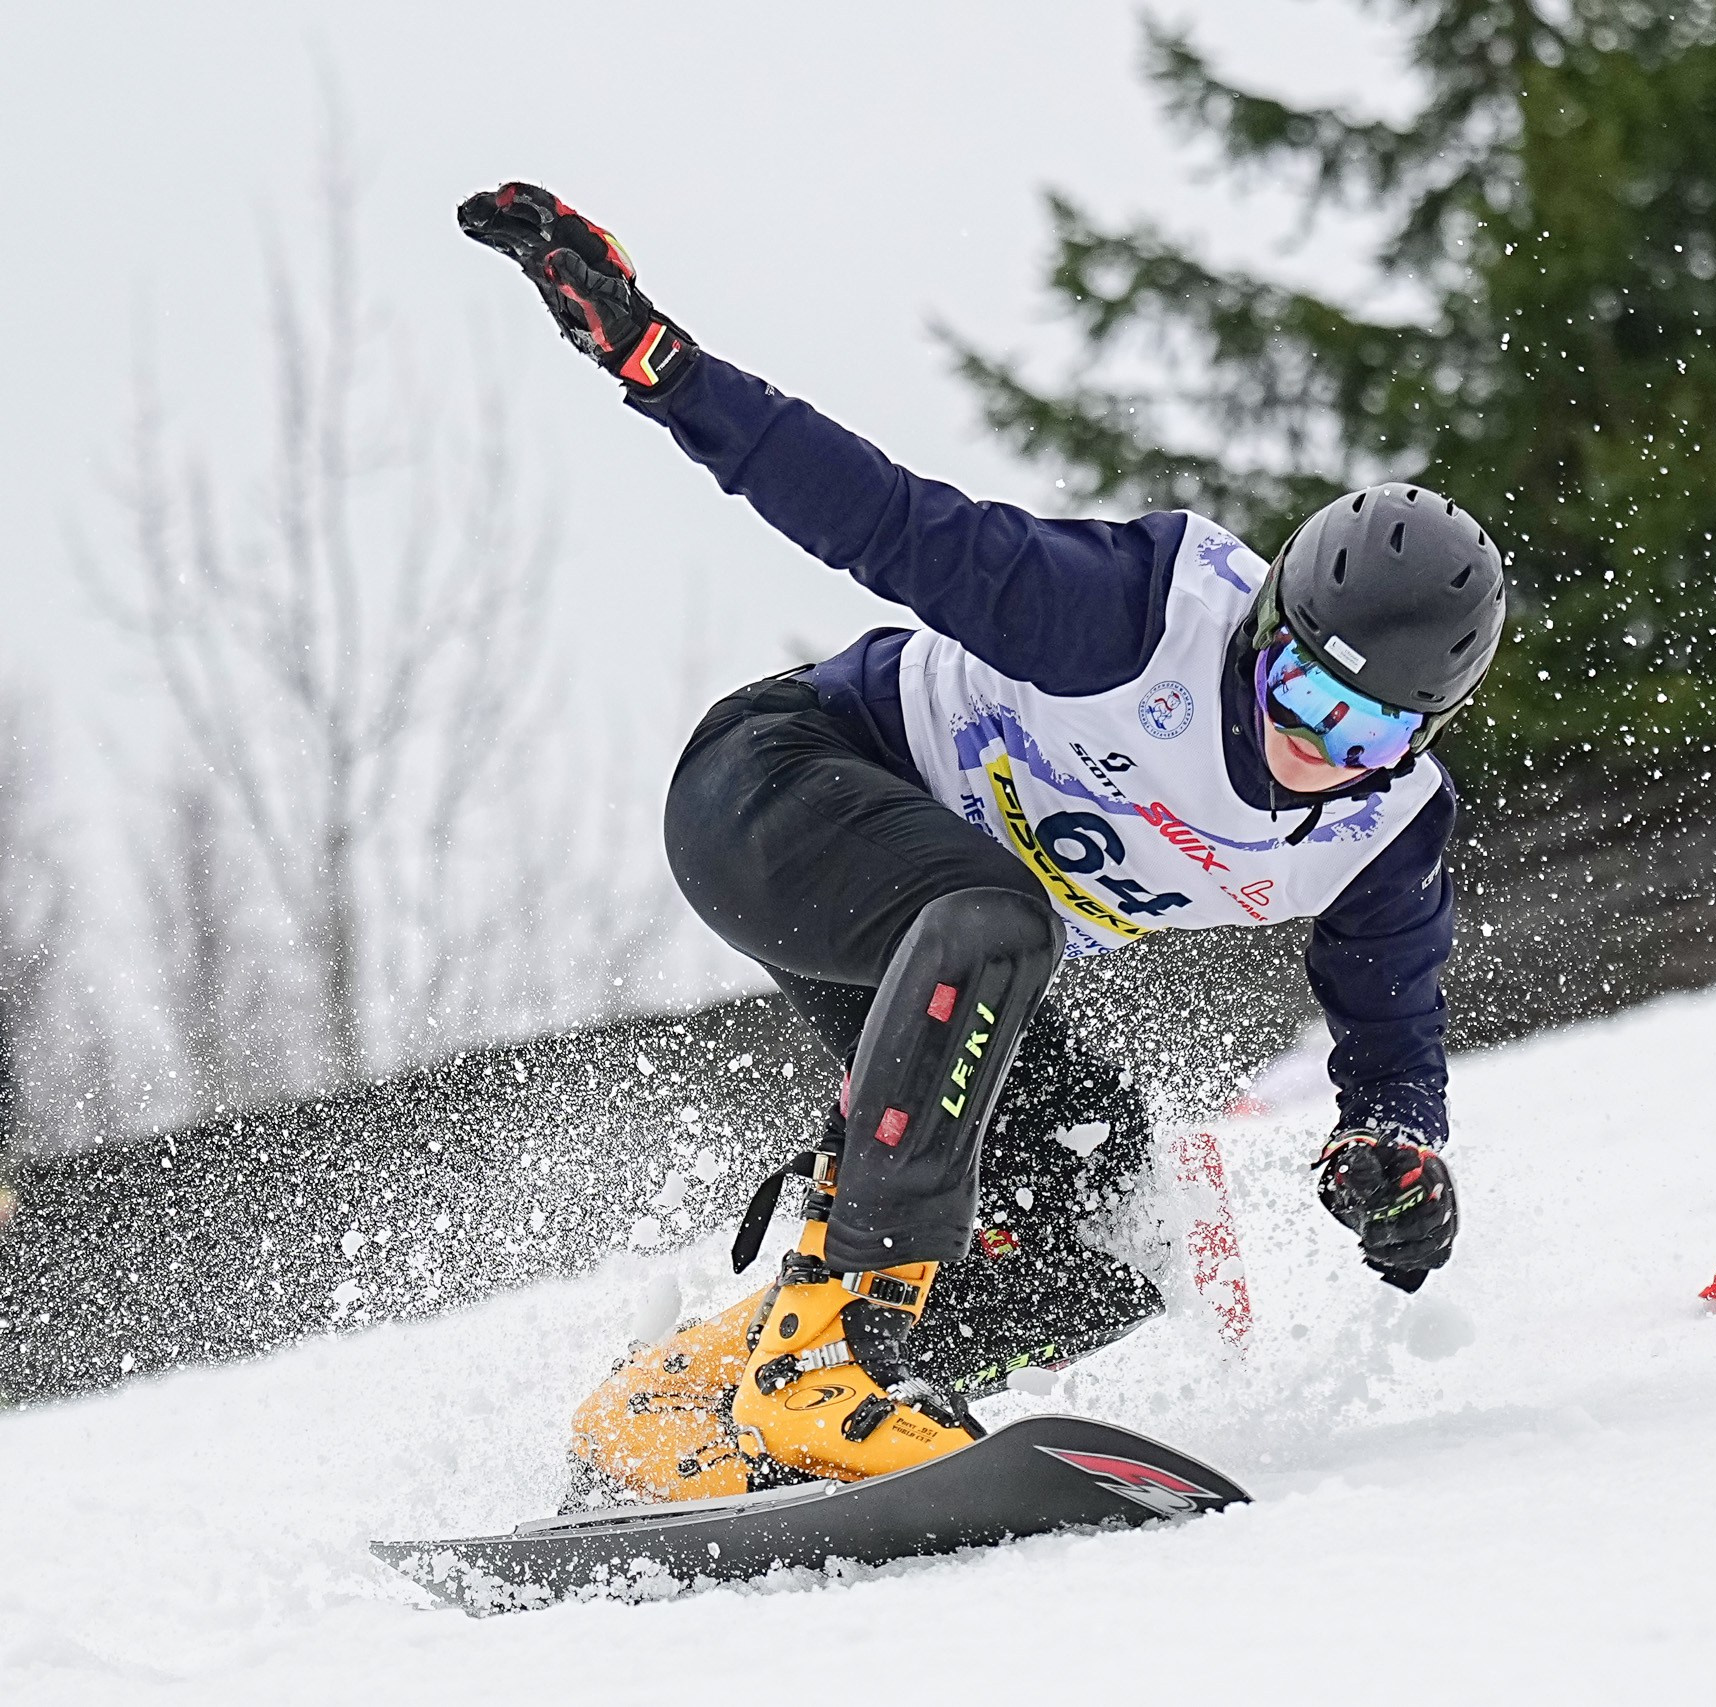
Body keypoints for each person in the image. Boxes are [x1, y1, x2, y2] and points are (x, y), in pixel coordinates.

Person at [460, 184, 1503, 1492]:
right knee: (1000, 913)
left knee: (1090, 1228)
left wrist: (1400, 1167)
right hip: (775, 790)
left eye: (1360, 734)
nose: (1312, 747)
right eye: (1298, 691)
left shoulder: (1384, 836)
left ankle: (698, 1400)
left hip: (925, 950)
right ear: (1263, 634)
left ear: (1418, 737)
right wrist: (663, 369)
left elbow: (1393, 1030)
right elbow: (885, 519)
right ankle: (823, 1365)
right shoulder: (1131, 621)